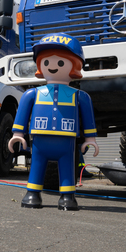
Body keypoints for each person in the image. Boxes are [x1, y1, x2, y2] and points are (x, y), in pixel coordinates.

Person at [9, 33, 99, 211]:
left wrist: (90, 139)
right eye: (47, 62)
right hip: (40, 139)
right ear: (40, 65)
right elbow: (22, 114)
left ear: (75, 65)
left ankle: (67, 196)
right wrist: (17, 134)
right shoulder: (33, 94)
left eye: (60, 62)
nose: (52, 67)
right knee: (37, 165)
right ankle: (33, 193)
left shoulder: (79, 96)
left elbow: (88, 119)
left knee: (67, 167)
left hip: (67, 141)